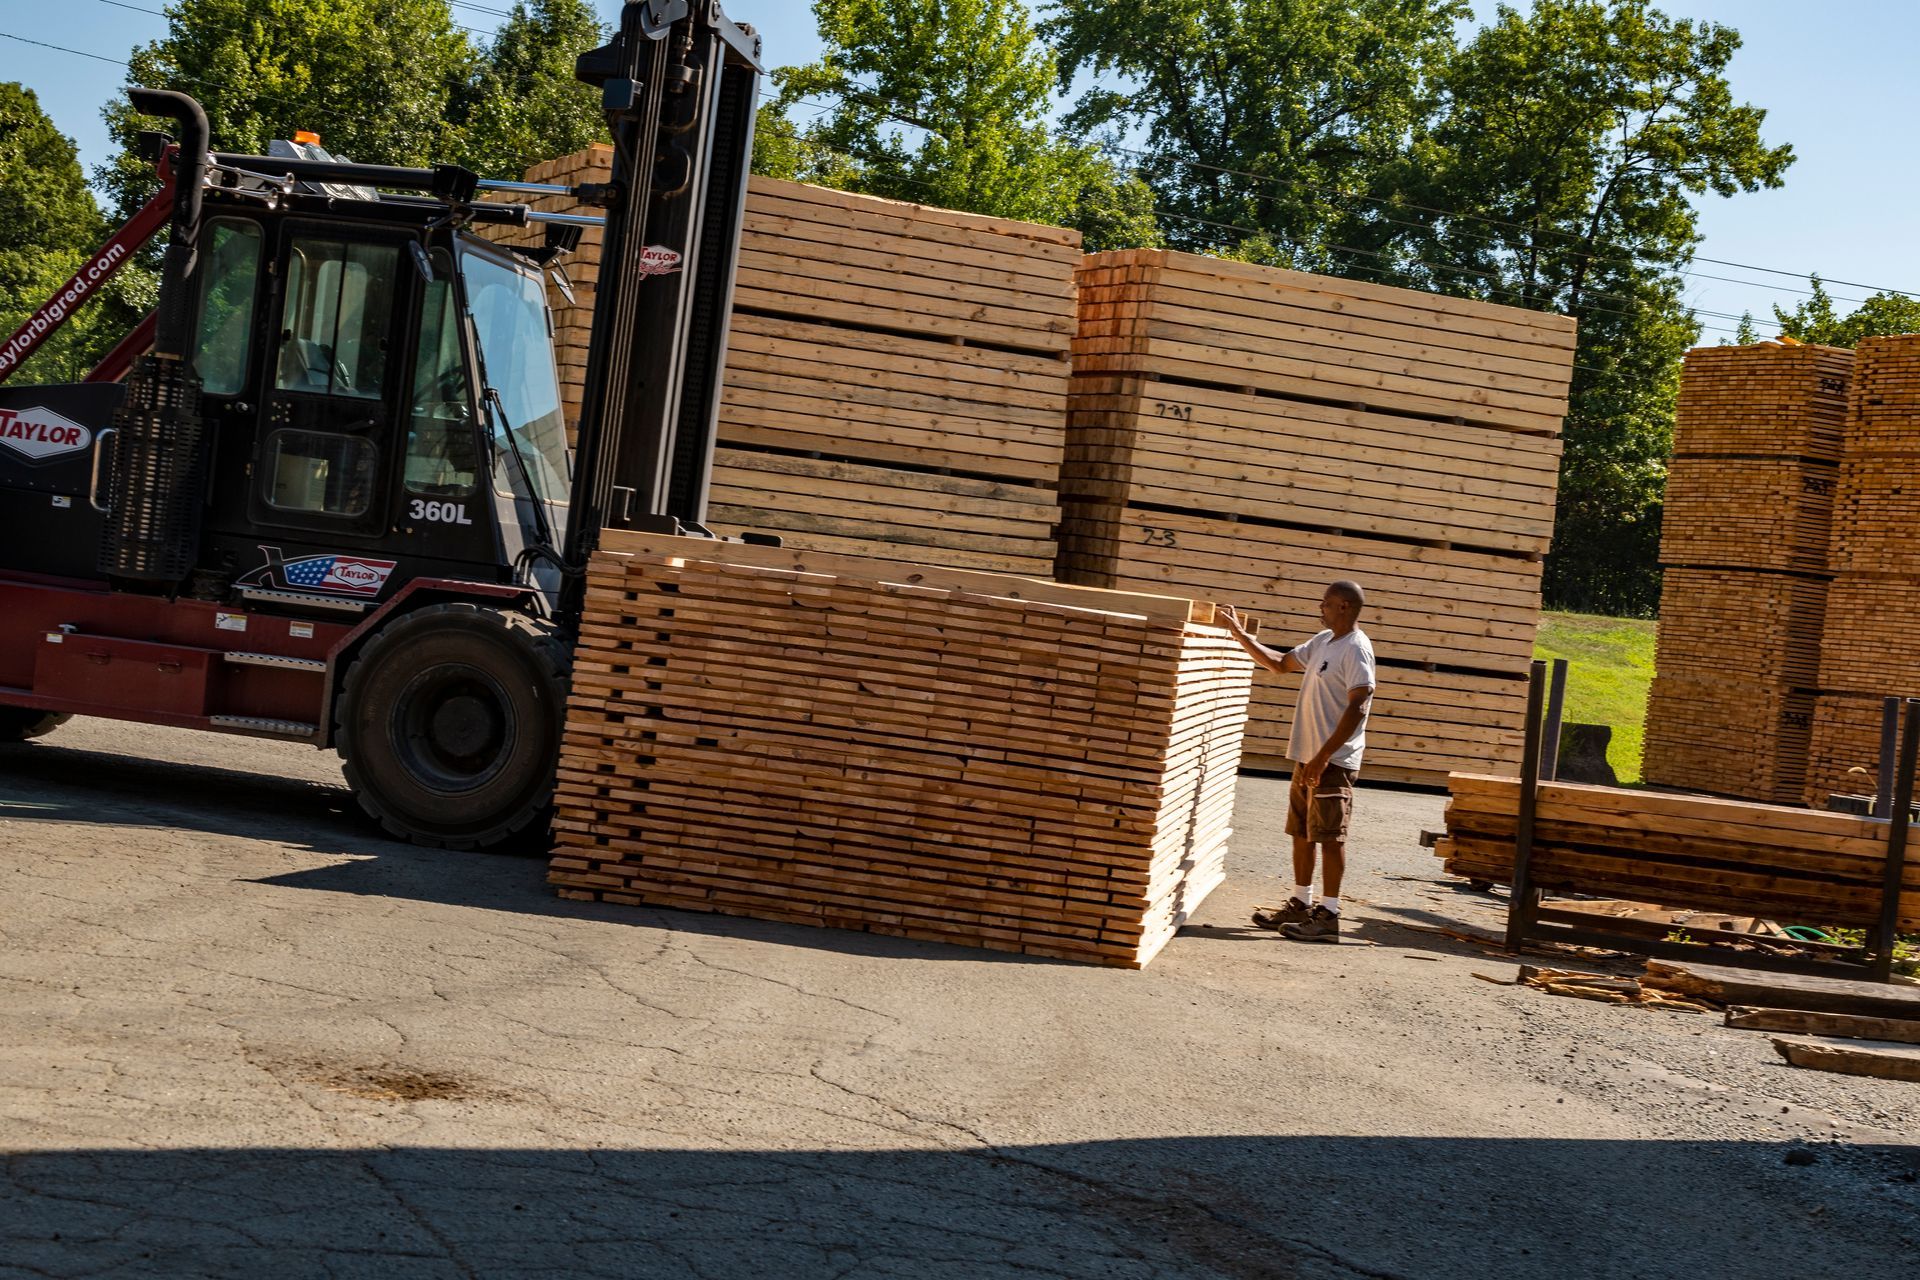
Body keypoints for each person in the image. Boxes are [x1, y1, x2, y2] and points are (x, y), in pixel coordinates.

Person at [1218, 581, 1376, 943]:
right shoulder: (1323, 641)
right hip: (1308, 756)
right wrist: (1239, 635)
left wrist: (1323, 757)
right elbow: (1278, 664)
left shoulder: (1356, 649)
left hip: (1333, 760)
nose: (1320, 607)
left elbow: (1358, 706)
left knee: (1330, 838)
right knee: (1302, 834)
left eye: (1327, 603)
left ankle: (1330, 914)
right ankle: (1301, 904)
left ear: (1345, 607)